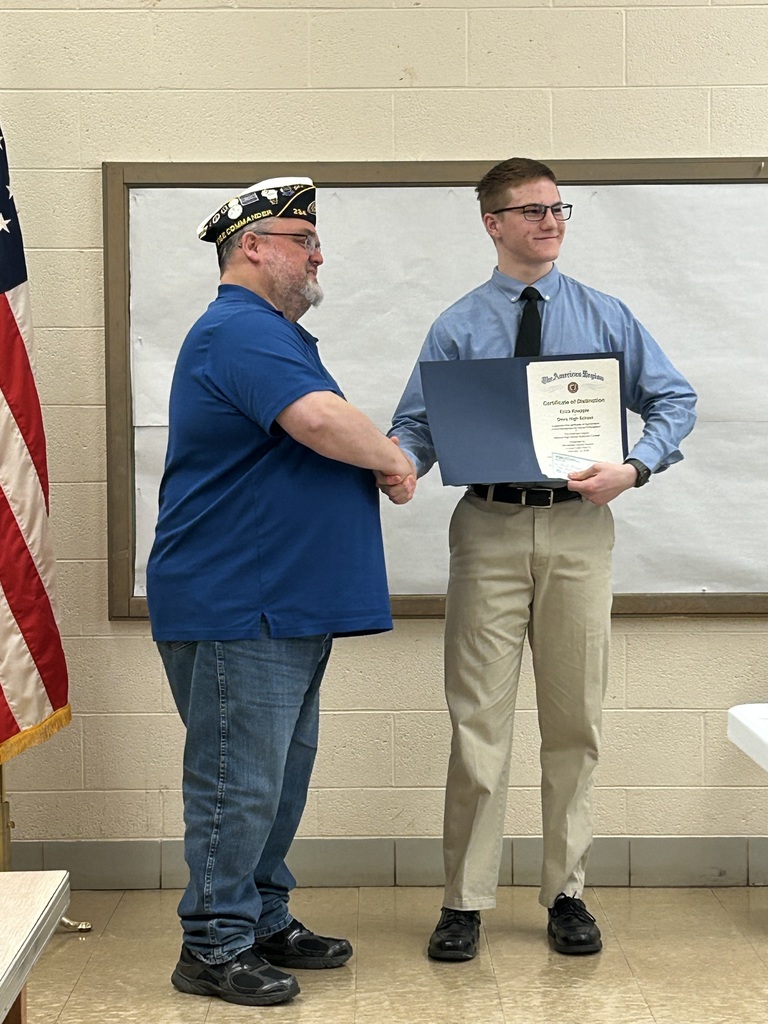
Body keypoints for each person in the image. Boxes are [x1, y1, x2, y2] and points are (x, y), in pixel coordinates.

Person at [385, 157, 696, 959]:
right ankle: (464, 902)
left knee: (574, 721)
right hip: (488, 526)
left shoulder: (603, 316)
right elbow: (417, 425)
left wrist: (634, 467)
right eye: (530, 211)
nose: (549, 222)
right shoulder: (457, 324)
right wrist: (398, 466)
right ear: (492, 223)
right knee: (478, 722)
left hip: (579, 533)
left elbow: (675, 399)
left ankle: (566, 894)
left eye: (558, 208)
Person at [146, 176, 415, 1007]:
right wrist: (392, 458)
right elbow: (320, 422)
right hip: (240, 602)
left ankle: (262, 917)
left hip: (279, 602)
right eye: (302, 239)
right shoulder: (238, 328)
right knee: (238, 778)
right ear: (252, 247)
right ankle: (213, 944)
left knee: (277, 779)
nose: (317, 254)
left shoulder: (269, 332)